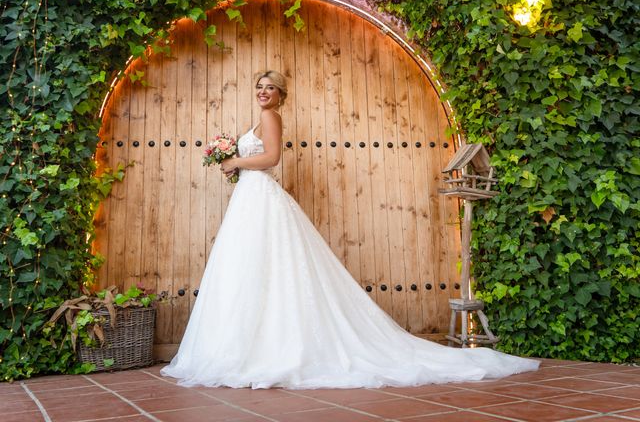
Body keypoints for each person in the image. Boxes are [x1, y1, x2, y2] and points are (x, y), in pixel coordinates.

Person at [160, 70, 539, 389]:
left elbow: (272, 158)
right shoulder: (258, 121)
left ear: (280, 96)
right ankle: (248, 343)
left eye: (270, 87)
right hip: (250, 197)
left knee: (265, 265)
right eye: (259, 86)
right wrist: (235, 163)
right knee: (251, 269)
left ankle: (261, 348)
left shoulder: (272, 119)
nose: (263, 91)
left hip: (259, 194)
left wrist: (235, 161)